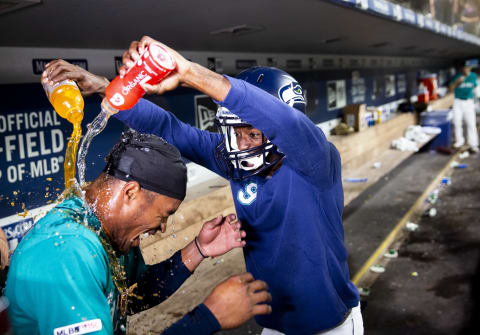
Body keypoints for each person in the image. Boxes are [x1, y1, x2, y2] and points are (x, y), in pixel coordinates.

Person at [43, 36, 363, 335]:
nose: (240, 143)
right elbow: (166, 126)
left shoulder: (315, 160)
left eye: (253, 133)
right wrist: (103, 86)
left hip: (329, 324)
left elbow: (286, 123)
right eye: (234, 132)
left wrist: (188, 72)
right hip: (273, 319)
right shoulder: (230, 157)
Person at [4, 130, 272, 335]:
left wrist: (198, 250)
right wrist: (210, 317)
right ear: (131, 193)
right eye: (164, 214)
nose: (161, 228)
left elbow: (131, 297)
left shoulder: (102, 228)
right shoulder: (66, 253)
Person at [449, 60, 479, 153]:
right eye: (464, 68)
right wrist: (456, 83)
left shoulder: (473, 76)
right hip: (458, 101)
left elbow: (476, 88)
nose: (466, 69)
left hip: (469, 102)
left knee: (471, 123)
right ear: (462, 69)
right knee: (457, 122)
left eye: (468, 68)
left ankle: (473, 144)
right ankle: (459, 142)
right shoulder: (457, 76)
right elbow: (450, 89)